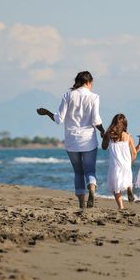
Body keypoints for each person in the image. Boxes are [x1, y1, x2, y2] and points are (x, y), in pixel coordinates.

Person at [37, 71, 104, 209]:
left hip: (72, 141)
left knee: (78, 172)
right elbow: (96, 120)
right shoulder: (94, 97)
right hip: (88, 140)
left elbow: (59, 119)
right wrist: (103, 131)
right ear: (89, 82)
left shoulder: (68, 95)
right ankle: (91, 187)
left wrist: (47, 113)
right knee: (90, 171)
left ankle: (81, 204)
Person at [102, 113, 137, 210]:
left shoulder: (109, 135)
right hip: (126, 164)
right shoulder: (128, 136)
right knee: (127, 180)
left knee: (115, 187)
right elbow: (134, 153)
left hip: (115, 165)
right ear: (125, 124)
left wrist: (105, 136)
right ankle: (129, 188)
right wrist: (130, 163)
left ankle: (121, 206)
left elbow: (104, 147)